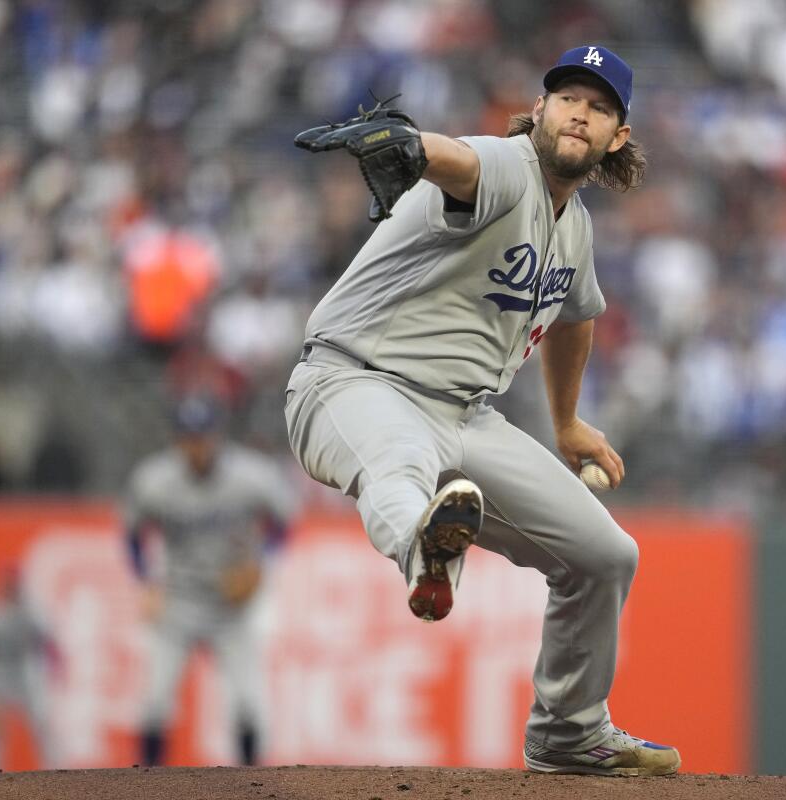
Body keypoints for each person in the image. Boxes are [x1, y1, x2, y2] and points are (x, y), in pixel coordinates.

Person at [284, 45, 680, 776]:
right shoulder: (505, 166)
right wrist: (409, 146)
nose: (578, 113)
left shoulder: (576, 227)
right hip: (355, 383)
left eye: (597, 107)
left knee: (605, 557)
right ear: (540, 108)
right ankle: (426, 551)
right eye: (567, 97)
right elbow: (455, 161)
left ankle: (568, 733)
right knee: (400, 470)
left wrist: (565, 423)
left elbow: (576, 313)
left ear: (616, 137)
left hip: (466, 418)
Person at [124, 396, 297, 767]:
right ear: (176, 439)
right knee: (154, 702)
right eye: (188, 437)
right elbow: (132, 536)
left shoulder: (251, 475)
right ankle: (144, 789)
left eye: (202, 436)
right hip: (178, 600)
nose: (196, 446)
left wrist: (262, 563)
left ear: (217, 436)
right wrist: (145, 582)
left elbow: (284, 522)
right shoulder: (155, 479)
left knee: (249, 705)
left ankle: (253, 789)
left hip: (231, 603)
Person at [0, 564, 61, 772]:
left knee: (42, 725)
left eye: (13, 583)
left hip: (25, 669)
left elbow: (49, 641)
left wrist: (54, 672)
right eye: (6, 583)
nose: (10, 587)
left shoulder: (33, 608)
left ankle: (55, 774)